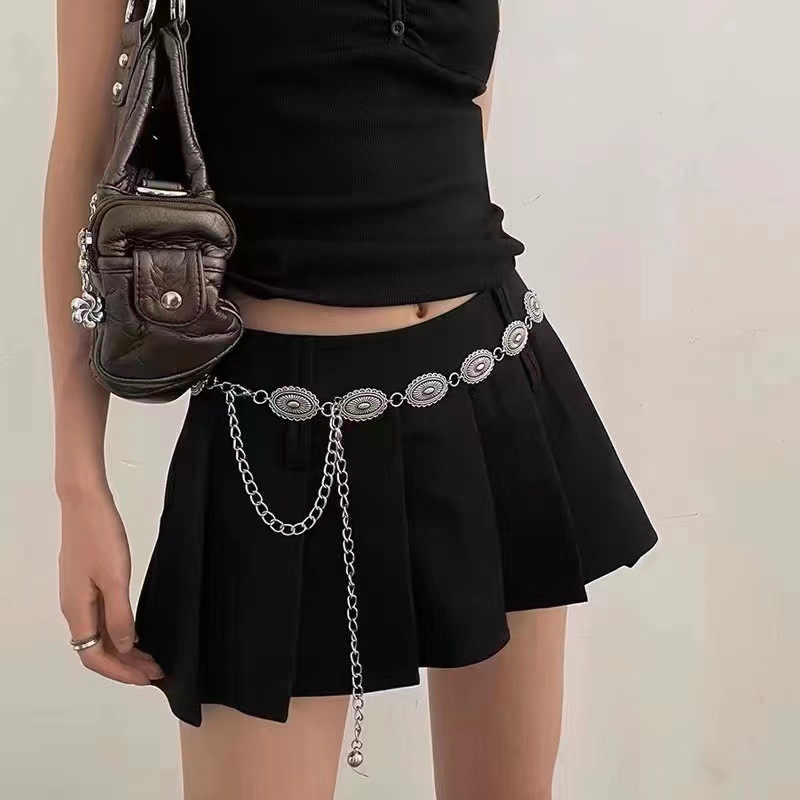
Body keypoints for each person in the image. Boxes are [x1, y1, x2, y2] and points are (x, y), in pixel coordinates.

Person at [43, 1, 657, 798]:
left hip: (489, 384)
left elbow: (462, 105)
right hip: (275, 428)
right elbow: (82, 160)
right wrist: (79, 484)